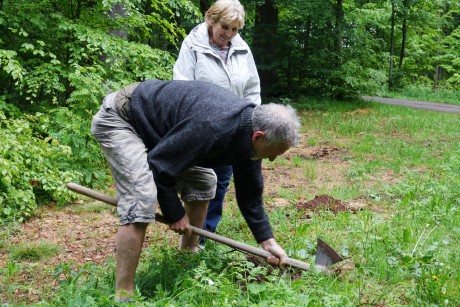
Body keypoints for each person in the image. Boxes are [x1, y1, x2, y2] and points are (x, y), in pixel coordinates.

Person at [91, 79, 300, 301]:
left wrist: (267, 240)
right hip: (123, 119)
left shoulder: (249, 133)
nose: (272, 158)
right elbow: (160, 167)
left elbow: (250, 196)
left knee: (203, 181)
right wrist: (175, 213)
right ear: (258, 137)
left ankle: (187, 256)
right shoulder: (213, 127)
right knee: (141, 197)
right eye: (274, 152)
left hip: (160, 130)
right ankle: (124, 295)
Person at [173, 0, 260, 239]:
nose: (229, 34)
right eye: (225, 27)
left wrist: (252, 119)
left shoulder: (241, 49)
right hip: (199, 128)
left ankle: (203, 238)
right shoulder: (193, 46)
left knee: (220, 184)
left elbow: (252, 89)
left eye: (235, 29)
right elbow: (181, 87)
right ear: (211, 20)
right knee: (199, 183)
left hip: (232, 129)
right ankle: (187, 234)